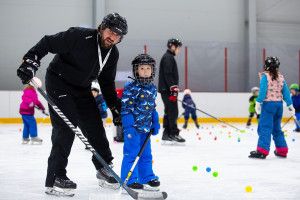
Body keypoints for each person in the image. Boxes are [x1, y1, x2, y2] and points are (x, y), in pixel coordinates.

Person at [17, 13, 128, 196]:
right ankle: (56, 177)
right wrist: (30, 62)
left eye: (118, 35)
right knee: (66, 126)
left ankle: (104, 167)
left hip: (82, 87)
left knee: (94, 125)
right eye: (110, 31)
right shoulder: (78, 36)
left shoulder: (112, 53)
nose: (113, 37)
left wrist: (114, 107)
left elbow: (107, 83)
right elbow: (47, 43)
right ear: (102, 27)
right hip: (58, 81)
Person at [121, 54, 160, 191]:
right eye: (141, 68)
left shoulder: (152, 88)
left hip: (145, 129)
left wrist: (155, 122)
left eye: (148, 68)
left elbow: (152, 107)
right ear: (136, 70)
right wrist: (129, 127)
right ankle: (129, 179)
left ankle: (146, 177)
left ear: (152, 70)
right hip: (133, 129)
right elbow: (126, 109)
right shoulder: (131, 88)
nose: (145, 71)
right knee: (131, 154)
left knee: (146, 154)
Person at [249, 56, 294, 159]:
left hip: (268, 105)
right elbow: (286, 92)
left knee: (265, 127)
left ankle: (262, 151)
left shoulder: (265, 76)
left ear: (266, 66)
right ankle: (282, 150)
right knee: (276, 128)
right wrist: (290, 104)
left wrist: (258, 102)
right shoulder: (281, 77)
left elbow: (263, 91)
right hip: (279, 106)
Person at [158, 38, 185, 143]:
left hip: (167, 89)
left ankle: (166, 134)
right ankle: (173, 134)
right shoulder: (168, 58)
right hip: (168, 90)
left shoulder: (168, 57)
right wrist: (173, 89)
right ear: (172, 46)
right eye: (178, 48)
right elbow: (168, 74)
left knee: (169, 111)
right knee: (173, 111)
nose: (179, 50)